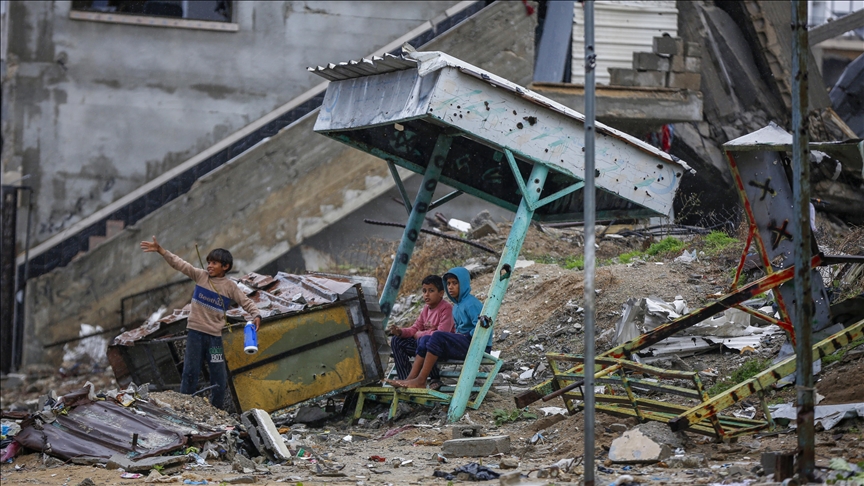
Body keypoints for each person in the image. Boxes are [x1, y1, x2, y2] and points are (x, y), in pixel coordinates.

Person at [140, 236, 260, 409]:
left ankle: (217, 410)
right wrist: (161, 251)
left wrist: (256, 315)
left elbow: (246, 302)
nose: (209, 266)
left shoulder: (230, 287)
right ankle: (183, 408)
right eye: (209, 262)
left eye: (214, 263)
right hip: (195, 335)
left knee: (219, 377)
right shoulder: (200, 276)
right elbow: (179, 264)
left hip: (214, 339)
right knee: (190, 373)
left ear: (225, 267)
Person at [389, 266, 491, 389]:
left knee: (435, 336)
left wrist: (463, 336)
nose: (450, 287)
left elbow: (482, 327)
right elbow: (416, 328)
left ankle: (421, 380)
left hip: (476, 345)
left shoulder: (471, 303)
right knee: (425, 340)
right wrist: (401, 332)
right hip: (463, 343)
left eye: (455, 283)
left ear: (463, 283)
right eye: (448, 283)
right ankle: (411, 379)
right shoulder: (458, 305)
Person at [387, 275, 453, 381]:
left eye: (431, 291)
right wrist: (400, 332)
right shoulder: (426, 309)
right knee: (396, 340)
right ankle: (406, 379)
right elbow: (415, 328)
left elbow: (441, 334)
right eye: (424, 291)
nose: (426, 294)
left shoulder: (446, 308)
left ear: (441, 293)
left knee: (426, 340)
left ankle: (434, 378)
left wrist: (420, 334)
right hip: (422, 346)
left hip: (440, 348)